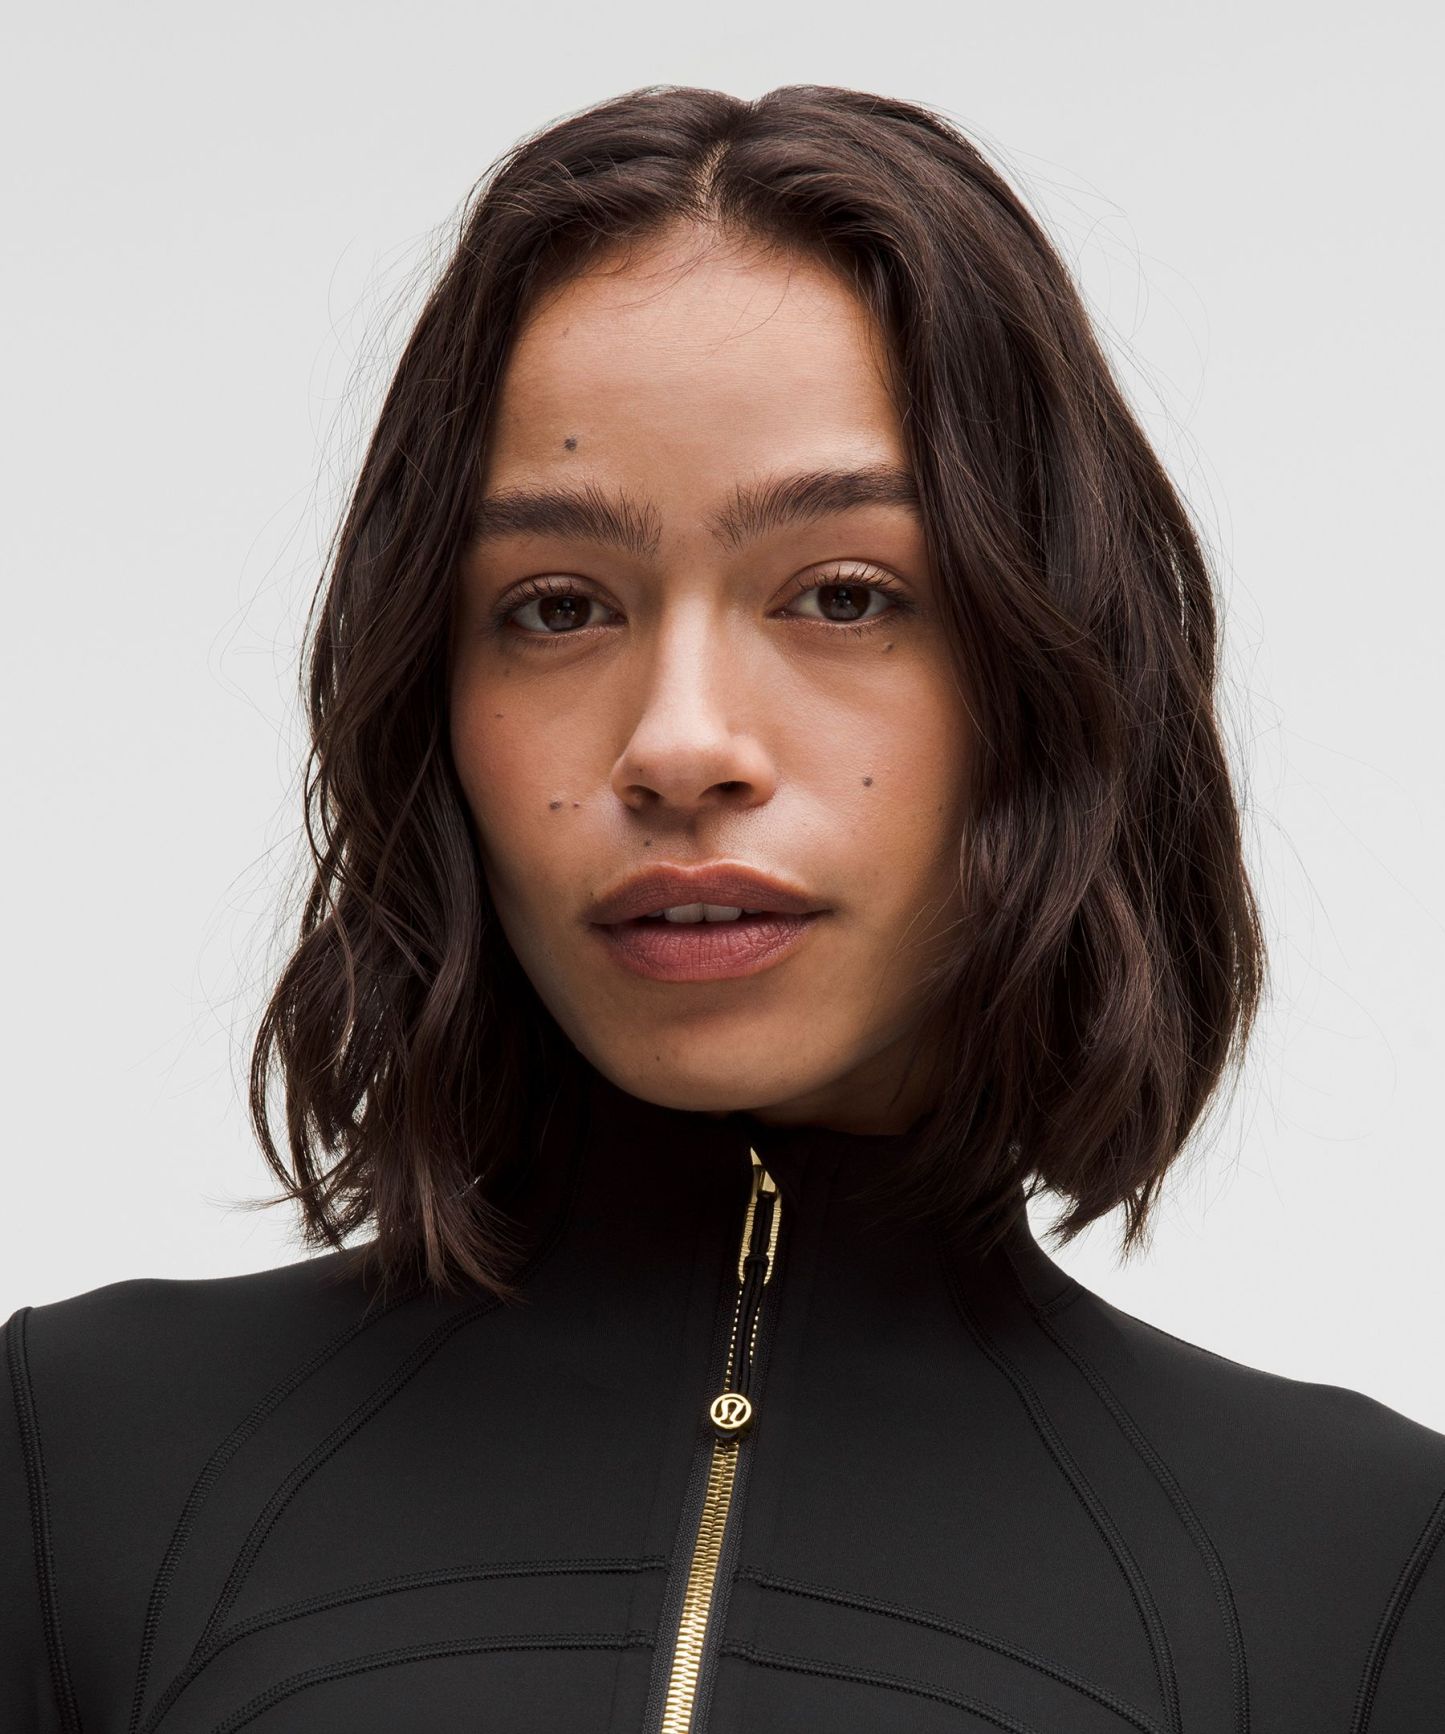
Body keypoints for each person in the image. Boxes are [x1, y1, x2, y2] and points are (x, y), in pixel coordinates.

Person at [3, 82, 1441, 1734]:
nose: (680, 742)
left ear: (1048, 681)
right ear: (428, 701)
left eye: (844, 593)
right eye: (556, 606)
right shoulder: (74, 1472)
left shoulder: (1359, 1583)